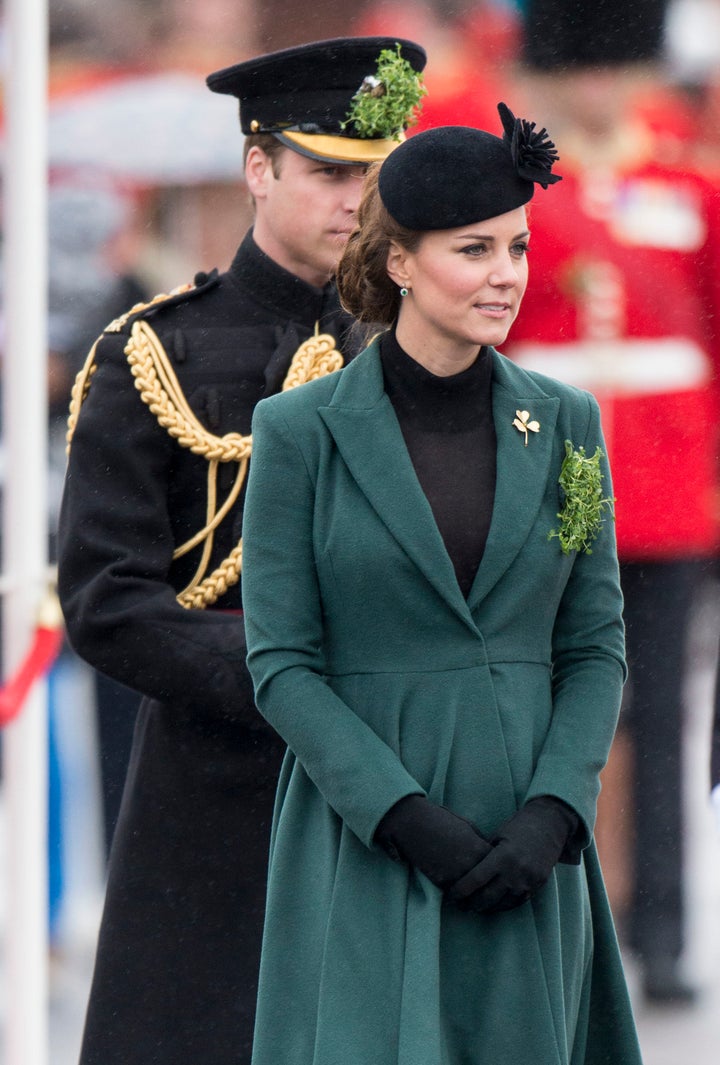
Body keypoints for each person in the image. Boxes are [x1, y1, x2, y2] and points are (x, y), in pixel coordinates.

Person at [241, 109, 643, 1065]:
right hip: (369, 835)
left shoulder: (567, 423)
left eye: (518, 246)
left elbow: (593, 643)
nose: (507, 274)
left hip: (528, 840)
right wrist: (404, 816)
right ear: (401, 263)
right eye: (475, 250)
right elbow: (282, 664)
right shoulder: (300, 431)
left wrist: (556, 809)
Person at [56, 35, 427, 1065]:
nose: (359, 200)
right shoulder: (156, 353)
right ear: (259, 168)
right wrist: (289, 681)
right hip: (217, 793)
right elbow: (107, 600)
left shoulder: (427, 346)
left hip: (402, 787)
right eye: (331, 171)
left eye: (379, 174)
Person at [504, 0, 720, 1005]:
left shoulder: (688, 184)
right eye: (578, 70)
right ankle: (560, 917)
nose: (596, 87)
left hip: (674, 488)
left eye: (611, 68)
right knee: (556, 717)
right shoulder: (517, 193)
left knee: (668, 714)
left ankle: (665, 932)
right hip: (552, 483)